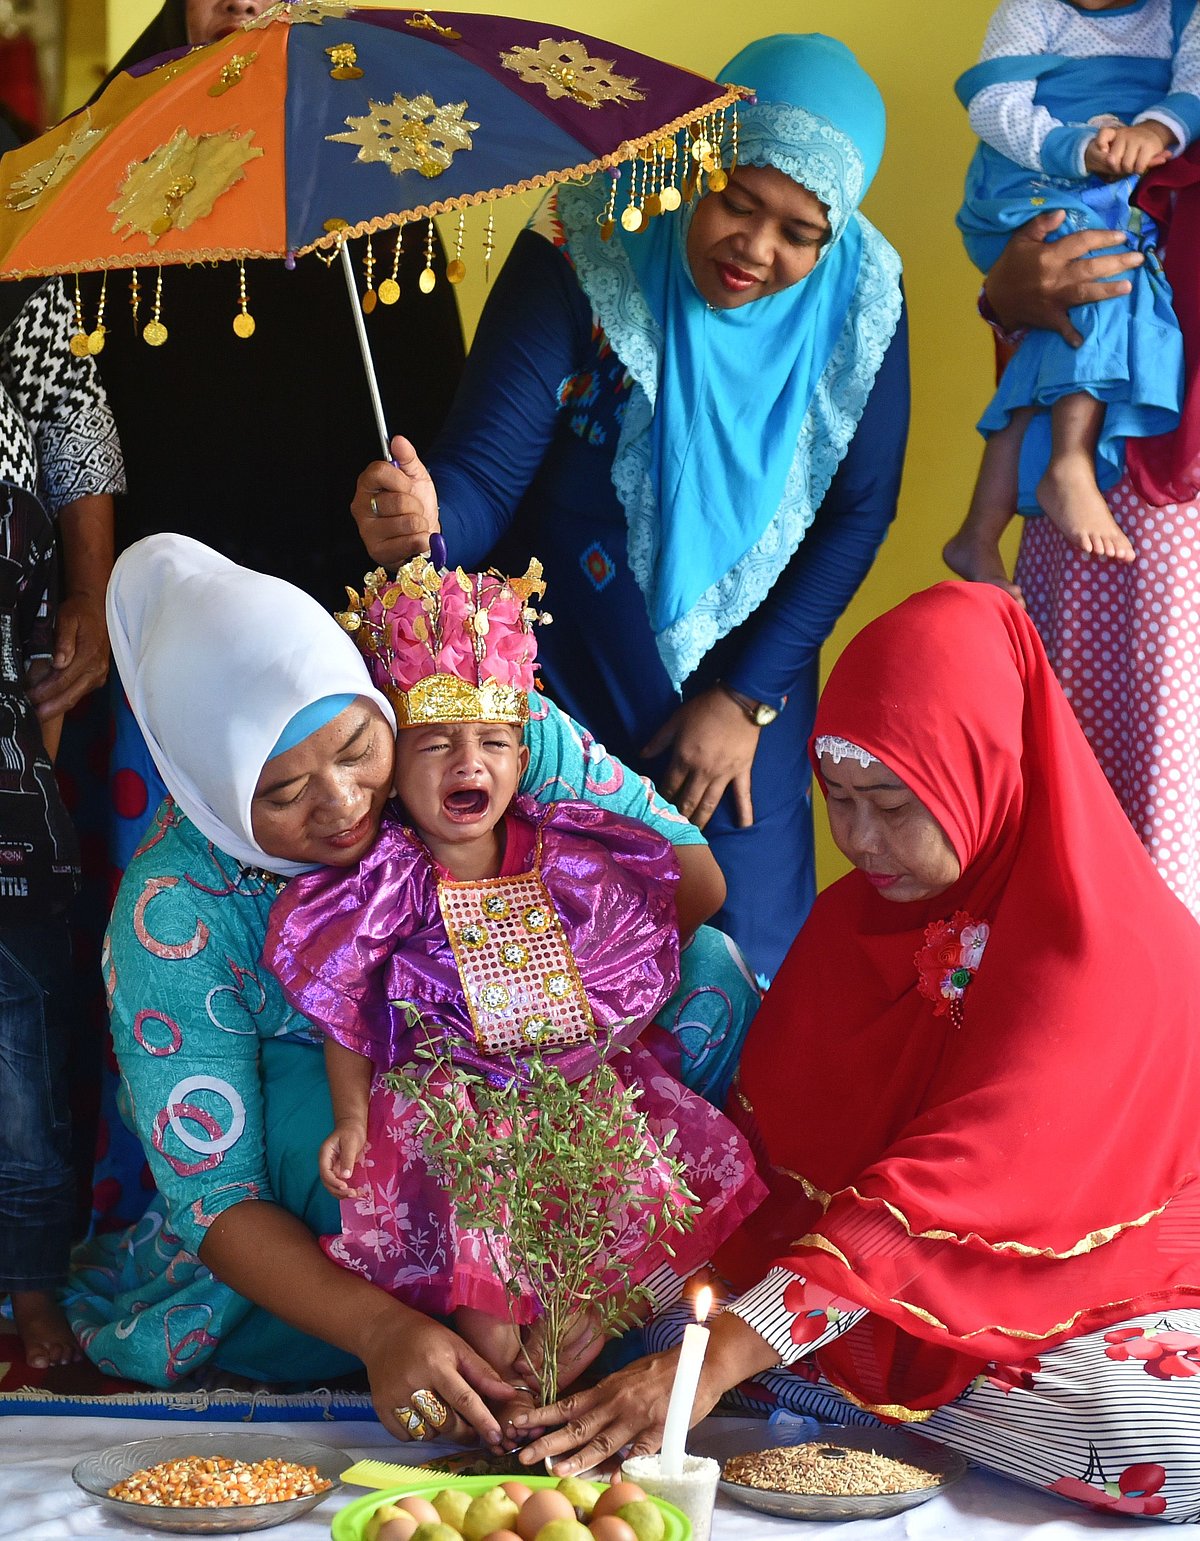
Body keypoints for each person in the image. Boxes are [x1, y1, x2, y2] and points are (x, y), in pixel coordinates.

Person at [507, 583, 1200, 1522]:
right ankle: (788, 1359)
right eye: (837, 799)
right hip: (874, 1251)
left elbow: (961, 1187)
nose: (860, 841)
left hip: (1077, 1268)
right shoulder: (853, 922)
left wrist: (713, 1356)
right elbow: (762, 1168)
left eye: (894, 805)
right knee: (658, 1302)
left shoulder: (1095, 941)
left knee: (1161, 1434)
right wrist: (626, 1298)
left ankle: (785, 1367)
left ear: (989, 769)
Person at [65, 535, 759, 1431]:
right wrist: (377, 1327)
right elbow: (217, 1198)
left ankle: (586, 1292)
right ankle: (432, 1326)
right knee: (366, 1122)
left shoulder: (459, 721)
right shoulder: (172, 911)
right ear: (208, 787)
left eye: (359, 747)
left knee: (715, 982)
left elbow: (693, 885)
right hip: (360, 1129)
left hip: (553, 1045)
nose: (345, 802)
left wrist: (547, 1006)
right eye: (281, 793)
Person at [352, 33, 910, 981]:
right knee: (558, 972)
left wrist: (745, 698)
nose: (758, 249)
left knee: (742, 968)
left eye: (799, 233)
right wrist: (423, 518)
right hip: (563, 689)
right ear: (700, 156)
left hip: (741, 715)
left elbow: (860, 511)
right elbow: (486, 478)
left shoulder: (862, 302)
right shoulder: (590, 233)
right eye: (737, 199)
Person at [264, 557, 764, 1391]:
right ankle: (490, 1427)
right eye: (437, 743)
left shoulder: (564, 851)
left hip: (578, 1104)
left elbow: (639, 946)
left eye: (494, 742)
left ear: (524, 754)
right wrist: (351, 1119)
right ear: (392, 761)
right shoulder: (386, 875)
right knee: (490, 1328)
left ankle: (549, 1432)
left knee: (597, 1286)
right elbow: (347, 1008)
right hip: (463, 1132)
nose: (470, 762)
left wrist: (606, 1041)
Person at [945, 0, 1197, 595]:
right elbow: (994, 102)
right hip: (1030, 183)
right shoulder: (1034, 9)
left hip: (1107, 190)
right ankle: (1070, 461)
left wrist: (1154, 131)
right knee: (1106, 276)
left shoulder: (1175, 11)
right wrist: (1078, 148)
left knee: (1058, 343)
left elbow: (1191, 84)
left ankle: (978, 533)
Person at [0, 484, 84, 1370]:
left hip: (9, 843)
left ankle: (30, 1281)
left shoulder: (13, 487)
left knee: (27, 1095)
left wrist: (26, 797)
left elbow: (46, 675)